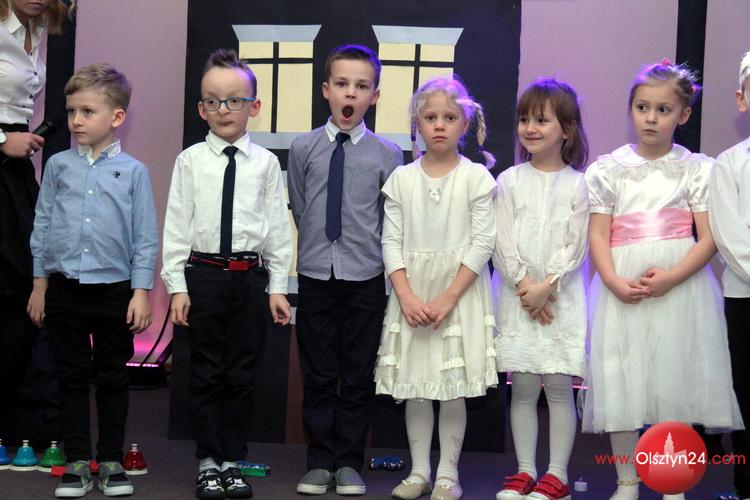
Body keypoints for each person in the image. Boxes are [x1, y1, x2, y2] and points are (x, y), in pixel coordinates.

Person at [581, 60, 743, 500]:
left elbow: (709, 237)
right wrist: (612, 280)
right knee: (621, 379)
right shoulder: (609, 169)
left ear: (683, 115)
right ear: (631, 109)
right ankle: (627, 481)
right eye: (642, 107)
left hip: (680, 286)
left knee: (674, 378)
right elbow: (597, 234)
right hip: (623, 285)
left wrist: (673, 277)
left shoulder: (697, 169)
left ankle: (673, 484)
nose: (651, 118)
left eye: (663, 110)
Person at [161, 48, 292, 500]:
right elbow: (176, 226)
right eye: (213, 101)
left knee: (241, 374)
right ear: (201, 108)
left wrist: (278, 287)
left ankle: (233, 460)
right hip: (204, 276)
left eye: (235, 100)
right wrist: (177, 286)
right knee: (205, 373)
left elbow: (277, 230)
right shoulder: (190, 160)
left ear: (254, 106)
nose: (223, 110)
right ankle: (208, 462)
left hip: (249, 279)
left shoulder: (266, 164)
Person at [27, 63, 157, 498]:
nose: (76, 121)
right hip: (64, 288)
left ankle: (112, 460)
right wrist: (40, 283)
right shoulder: (58, 166)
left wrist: (141, 292)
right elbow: (43, 224)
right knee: (70, 376)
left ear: (116, 117)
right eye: (71, 112)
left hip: (114, 291)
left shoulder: (134, 172)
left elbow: (144, 236)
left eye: (87, 111)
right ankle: (79, 461)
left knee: (112, 376)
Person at [374, 76, 497, 500]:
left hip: (458, 296)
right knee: (416, 385)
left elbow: (482, 243)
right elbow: (390, 241)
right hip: (411, 294)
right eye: (430, 117)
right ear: (417, 123)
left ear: (465, 124)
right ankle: (418, 472)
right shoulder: (402, 179)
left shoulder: (476, 178)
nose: (439, 125)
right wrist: (406, 296)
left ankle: (447, 474)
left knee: (452, 386)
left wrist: (448, 298)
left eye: (449, 117)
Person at [287, 44, 403, 496]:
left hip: (366, 279)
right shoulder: (303, 148)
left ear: (375, 95)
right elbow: (301, 204)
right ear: (326, 90)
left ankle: (349, 462)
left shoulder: (388, 154)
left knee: (357, 373)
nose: (350, 93)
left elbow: (389, 219)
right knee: (318, 372)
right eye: (341, 84)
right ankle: (320, 462)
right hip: (316, 275)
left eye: (361, 85)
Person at [493, 79, 589, 500]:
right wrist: (524, 287)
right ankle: (525, 470)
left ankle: (557, 474)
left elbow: (578, 243)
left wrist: (547, 287)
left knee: (559, 387)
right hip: (518, 298)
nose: (530, 128)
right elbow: (501, 240)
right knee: (523, 387)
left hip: (561, 299)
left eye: (542, 120)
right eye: (524, 119)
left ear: (567, 129)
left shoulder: (580, 184)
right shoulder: (509, 181)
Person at [0, 0, 69, 447]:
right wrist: (2, 139)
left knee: (25, 286)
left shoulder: (38, 25)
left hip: (16, 168)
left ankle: (19, 424)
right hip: (5, 152)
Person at [709, 50, 750, 500]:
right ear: (742, 99)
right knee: (746, 392)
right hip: (744, 296)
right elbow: (730, 236)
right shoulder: (729, 164)